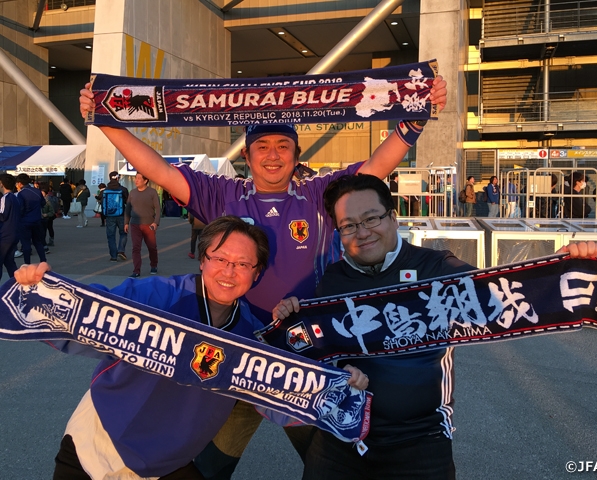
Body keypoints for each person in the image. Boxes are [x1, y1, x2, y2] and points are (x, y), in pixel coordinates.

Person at [80, 77, 448, 477]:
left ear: (296, 154)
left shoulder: (318, 194)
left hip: (302, 357)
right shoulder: (222, 194)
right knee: (207, 466)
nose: (273, 156)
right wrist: (105, 120)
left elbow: (376, 168)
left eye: (283, 146)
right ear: (247, 154)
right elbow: (160, 170)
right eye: (262, 147)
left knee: (332, 462)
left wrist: (415, 120)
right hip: (237, 351)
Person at [273, 173, 597, 480]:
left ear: (393, 217)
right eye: (348, 225)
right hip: (339, 438)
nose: (362, 232)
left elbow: (499, 294)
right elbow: (310, 351)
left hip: (421, 442)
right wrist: (288, 315)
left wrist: (560, 266)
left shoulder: (436, 267)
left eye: (371, 218)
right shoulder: (332, 280)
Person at [13, 216, 368, 480]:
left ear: (257, 273)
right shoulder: (160, 295)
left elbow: (282, 394)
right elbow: (92, 310)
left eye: (243, 264)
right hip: (101, 437)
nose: (229, 271)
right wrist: (40, 290)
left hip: (168, 461)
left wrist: (341, 385)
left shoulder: (251, 335)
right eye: (220, 259)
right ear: (202, 260)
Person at [124, 173, 161, 278]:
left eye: (139, 178)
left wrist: (156, 222)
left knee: (152, 247)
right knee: (136, 248)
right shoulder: (132, 193)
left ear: (145, 181)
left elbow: (158, 208)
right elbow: (128, 208)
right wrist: (126, 222)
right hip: (135, 224)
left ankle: (154, 265)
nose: (136, 180)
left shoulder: (152, 192)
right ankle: (136, 270)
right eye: (136, 178)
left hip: (149, 224)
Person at [15, 173, 46, 265]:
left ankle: (27, 264)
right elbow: (43, 203)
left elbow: (21, 208)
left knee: (26, 244)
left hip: (25, 221)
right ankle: (43, 261)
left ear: (20, 183)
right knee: (38, 242)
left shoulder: (21, 194)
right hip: (37, 220)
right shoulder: (37, 191)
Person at [103, 171, 130, 262]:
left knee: (111, 236)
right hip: (121, 214)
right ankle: (121, 250)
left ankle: (113, 256)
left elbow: (102, 202)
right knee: (123, 233)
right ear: (118, 178)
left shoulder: (105, 190)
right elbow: (128, 202)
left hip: (109, 215)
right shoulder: (123, 189)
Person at [0, 174, 20, 281]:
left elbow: (2, 216)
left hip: (5, 235)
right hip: (14, 233)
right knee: (9, 262)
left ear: (1, 184)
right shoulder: (15, 198)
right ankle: (17, 283)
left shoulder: (5, 198)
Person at [40, 186, 56, 255]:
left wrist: (46, 214)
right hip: (42, 219)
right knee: (43, 231)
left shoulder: (48, 201)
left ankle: (47, 243)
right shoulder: (38, 200)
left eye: (43, 193)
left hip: (46, 218)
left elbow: (52, 211)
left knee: (48, 229)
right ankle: (44, 243)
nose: (41, 194)